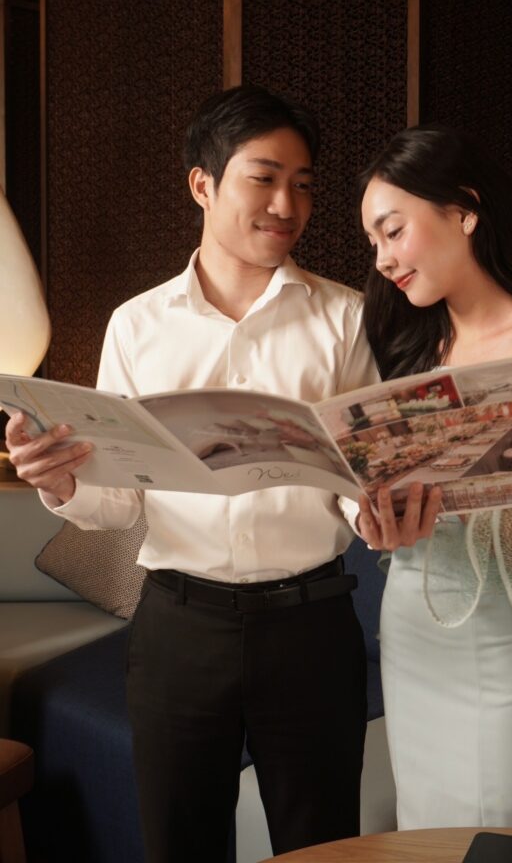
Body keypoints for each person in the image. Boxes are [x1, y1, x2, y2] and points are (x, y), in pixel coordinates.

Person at [5, 85, 413, 863]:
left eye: (303, 184)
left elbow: (357, 475)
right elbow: (118, 502)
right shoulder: (137, 324)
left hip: (312, 625)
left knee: (322, 848)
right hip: (178, 628)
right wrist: (58, 480)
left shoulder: (345, 317)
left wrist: (373, 509)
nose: (287, 204)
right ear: (203, 183)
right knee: (179, 845)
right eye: (264, 178)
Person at [356, 124, 512, 833]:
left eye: (393, 231)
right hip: (412, 635)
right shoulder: (408, 353)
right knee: (426, 837)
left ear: (464, 210)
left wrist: (443, 505)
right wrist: (374, 517)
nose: (382, 259)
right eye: (373, 241)